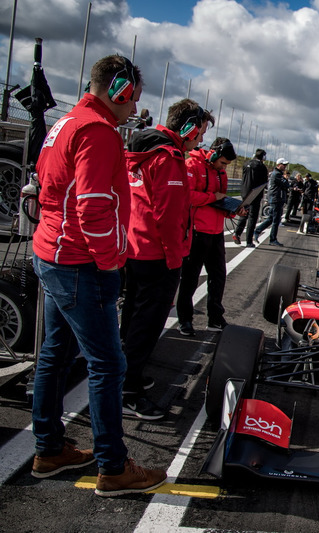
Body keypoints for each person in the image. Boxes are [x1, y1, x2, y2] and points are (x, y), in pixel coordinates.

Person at [30, 54, 167, 495]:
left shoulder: (66, 123)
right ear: (120, 90)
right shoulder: (98, 131)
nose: (134, 109)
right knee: (108, 364)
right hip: (78, 264)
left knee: (55, 355)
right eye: (133, 99)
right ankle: (113, 466)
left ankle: (49, 448)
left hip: (53, 252)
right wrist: (110, 260)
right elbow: (92, 205)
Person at [120, 99, 210, 420]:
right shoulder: (169, 159)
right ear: (187, 128)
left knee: (132, 317)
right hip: (158, 254)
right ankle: (128, 392)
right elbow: (170, 217)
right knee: (147, 324)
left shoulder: (142, 148)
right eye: (198, 133)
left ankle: (127, 375)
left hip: (134, 248)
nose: (200, 140)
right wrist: (176, 260)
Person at [176, 137, 239, 337]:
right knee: (190, 278)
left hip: (216, 231)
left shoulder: (221, 172)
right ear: (213, 153)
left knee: (219, 276)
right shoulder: (191, 165)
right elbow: (187, 196)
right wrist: (214, 198)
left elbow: (221, 199)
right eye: (222, 163)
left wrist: (233, 209)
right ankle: (184, 319)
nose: (224, 167)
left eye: (227, 165)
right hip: (196, 231)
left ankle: (215, 318)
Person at [233, 148, 268, 247]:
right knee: (252, 217)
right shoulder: (261, 166)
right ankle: (249, 241)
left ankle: (237, 233)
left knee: (243, 213)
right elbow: (264, 183)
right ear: (263, 157)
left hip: (244, 192)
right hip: (255, 194)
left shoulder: (246, 164)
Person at [253, 157, 290, 246]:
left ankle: (258, 231)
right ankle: (272, 239)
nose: (285, 166)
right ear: (279, 165)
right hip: (276, 199)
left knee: (271, 218)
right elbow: (286, 184)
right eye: (283, 165)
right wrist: (285, 181)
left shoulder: (278, 174)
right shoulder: (277, 174)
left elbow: (286, 185)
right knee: (275, 220)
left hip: (277, 198)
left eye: (285, 165)